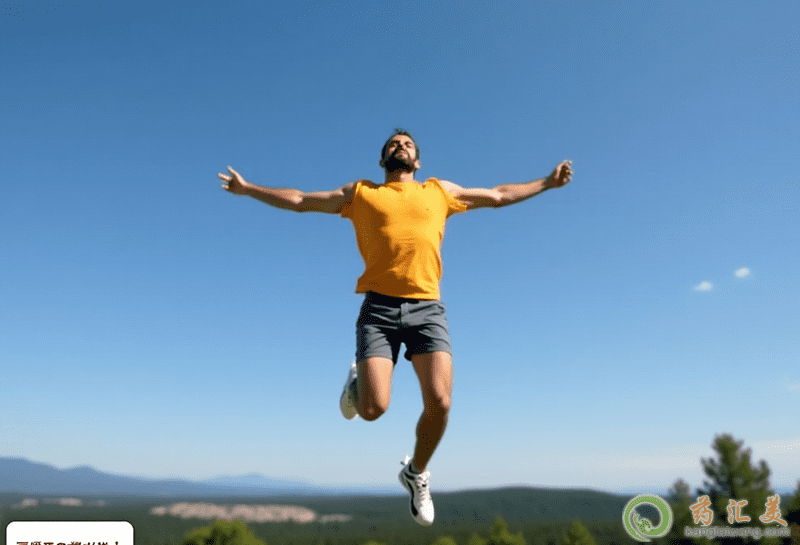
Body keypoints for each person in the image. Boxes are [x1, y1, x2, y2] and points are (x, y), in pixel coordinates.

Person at [218, 129, 573, 526]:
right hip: (379, 309)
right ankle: (358, 384)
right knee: (372, 410)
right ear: (382, 159)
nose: (400, 146)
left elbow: (498, 195)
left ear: (417, 161)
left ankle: (416, 473)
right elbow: (302, 200)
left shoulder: (439, 191)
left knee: (440, 402)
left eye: (407, 144)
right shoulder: (361, 193)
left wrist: (546, 183)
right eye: (393, 143)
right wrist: (249, 189)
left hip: (427, 309)